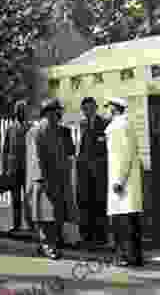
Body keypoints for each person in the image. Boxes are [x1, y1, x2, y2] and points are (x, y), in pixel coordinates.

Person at [25, 98, 77, 260]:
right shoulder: (37, 131)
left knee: (55, 214)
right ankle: (47, 245)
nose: (60, 114)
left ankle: (46, 244)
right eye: (57, 111)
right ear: (49, 113)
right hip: (43, 181)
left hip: (57, 179)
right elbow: (35, 158)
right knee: (45, 215)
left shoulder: (56, 130)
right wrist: (41, 179)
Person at [104, 97, 144, 267]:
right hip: (126, 180)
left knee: (124, 222)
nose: (107, 110)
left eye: (108, 107)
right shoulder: (125, 125)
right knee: (130, 221)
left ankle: (127, 257)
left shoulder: (118, 127)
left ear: (114, 109)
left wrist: (119, 180)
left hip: (122, 181)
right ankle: (134, 256)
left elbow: (124, 155)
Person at [77, 97, 110, 249]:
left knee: (100, 204)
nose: (87, 111)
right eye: (85, 109)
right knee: (85, 204)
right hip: (84, 172)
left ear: (96, 108)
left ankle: (101, 237)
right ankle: (87, 237)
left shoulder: (104, 124)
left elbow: (106, 149)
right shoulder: (82, 124)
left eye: (90, 108)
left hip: (99, 172)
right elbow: (81, 148)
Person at [2, 100, 31, 234]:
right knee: (15, 199)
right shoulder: (10, 128)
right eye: (18, 110)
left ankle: (31, 225)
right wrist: (5, 168)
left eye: (22, 110)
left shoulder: (31, 127)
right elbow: (6, 150)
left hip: (27, 168)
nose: (19, 113)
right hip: (14, 169)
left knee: (29, 198)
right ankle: (16, 225)